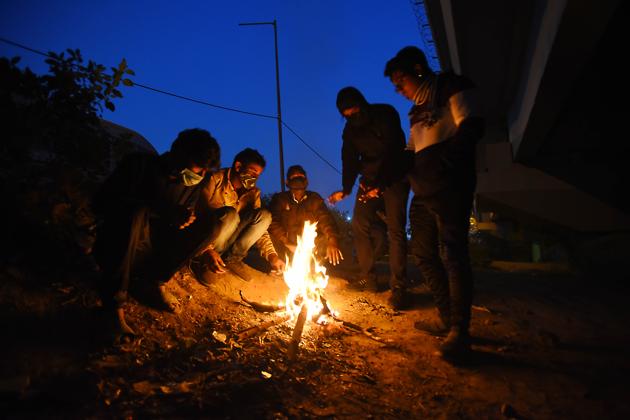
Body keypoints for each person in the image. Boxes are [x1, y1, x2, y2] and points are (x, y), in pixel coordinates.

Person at [384, 46, 484, 362]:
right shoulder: (415, 109)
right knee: (423, 252)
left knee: (453, 254)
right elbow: (411, 150)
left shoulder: (451, 87)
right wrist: (380, 180)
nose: (399, 89)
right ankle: (444, 315)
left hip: (451, 187)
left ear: (418, 69)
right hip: (424, 192)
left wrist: (446, 167)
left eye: (401, 81)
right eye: (395, 86)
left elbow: (471, 126)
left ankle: (460, 331)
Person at [92, 128, 221, 335]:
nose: (200, 175)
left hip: (153, 249)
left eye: (204, 171)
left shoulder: (191, 184)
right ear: (177, 154)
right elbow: (101, 203)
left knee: (211, 224)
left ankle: (152, 281)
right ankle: (114, 306)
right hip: (121, 245)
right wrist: (160, 210)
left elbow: (176, 220)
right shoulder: (139, 165)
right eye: (197, 169)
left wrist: (184, 220)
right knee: (135, 212)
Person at [328, 87, 410, 308]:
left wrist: (380, 185)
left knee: (396, 230)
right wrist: (345, 189)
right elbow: (349, 158)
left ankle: (399, 288)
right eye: (346, 115)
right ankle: (370, 279)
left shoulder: (386, 114)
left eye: (354, 112)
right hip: (370, 179)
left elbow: (395, 151)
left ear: (362, 104)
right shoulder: (350, 131)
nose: (352, 118)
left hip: (395, 177)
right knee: (358, 223)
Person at [194, 148, 285, 283]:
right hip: (208, 241)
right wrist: (207, 249)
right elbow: (198, 213)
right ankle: (205, 260)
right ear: (238, 166)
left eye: (258, 175)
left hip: (229, 241)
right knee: (230, 214)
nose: (254, 178)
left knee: (264, 215)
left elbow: (260, 228)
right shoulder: (215, 179)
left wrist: (272, 255)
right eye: (252, 171)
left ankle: (232, 260)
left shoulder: (253, 193)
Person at [269, 165, 343, 266]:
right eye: (294, 177)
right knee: (270, 234)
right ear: (287, 182)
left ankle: (315, 266)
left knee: (329, 239)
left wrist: (333, 241)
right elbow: (273, 222)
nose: (298, 180)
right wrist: (286, 242)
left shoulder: (314, 199)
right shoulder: (280, 199)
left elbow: (326, 220)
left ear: (307, 181)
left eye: (301, 177)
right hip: (285, 246)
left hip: (310, 248)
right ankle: (280, 265)